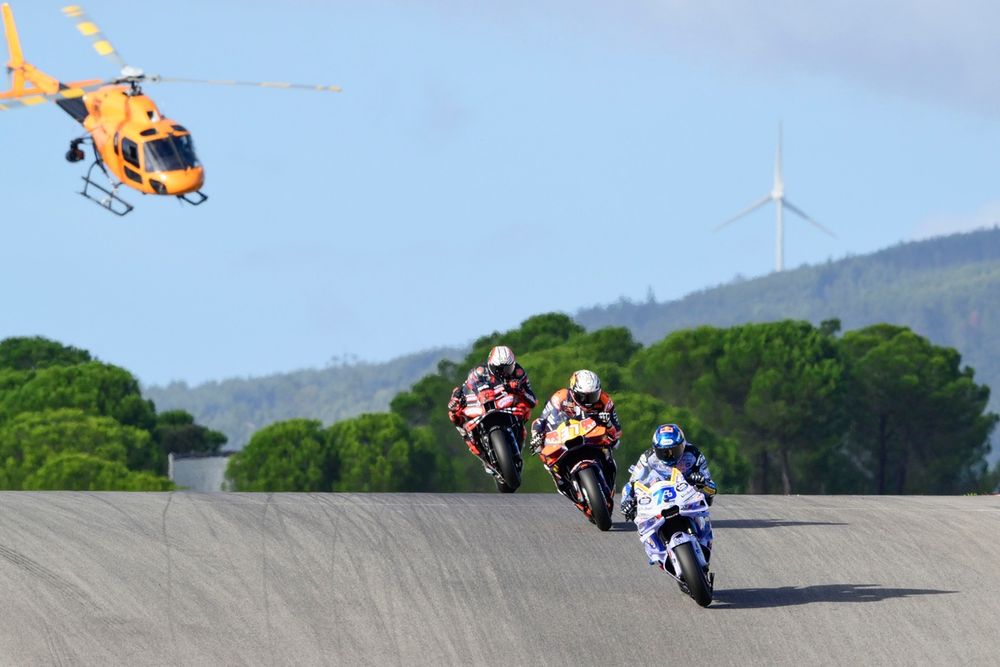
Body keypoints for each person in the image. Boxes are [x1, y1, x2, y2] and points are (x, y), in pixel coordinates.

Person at [620, 423, 716, 567]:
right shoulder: (647, 458)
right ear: (655, 449)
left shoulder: (694, 454)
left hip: (686, 498)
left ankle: (702, 537)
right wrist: (626, 500)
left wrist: (702, 483)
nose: (669, 455)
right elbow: (632, 483)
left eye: (674, 450)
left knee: (705, 506)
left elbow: (712, 489)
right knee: (637, 514)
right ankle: (656, 550)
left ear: (682, 446)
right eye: (663, 452)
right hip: (658, 500)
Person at [447, 345, 537, 456]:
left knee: (526, 408)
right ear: (491, 365)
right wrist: (456, 398)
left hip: (508, 405)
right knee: (453, 413)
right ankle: (467, 437)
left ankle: (518, 428)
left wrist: (520, 390)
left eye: (508, 368)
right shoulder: (481, 372)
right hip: (485, 404)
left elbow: (532, 400)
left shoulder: (518, 373)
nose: (504, 372)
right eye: (499, 369)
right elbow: (465, 386)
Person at [528, 369, 621, 454]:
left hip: (595, 439)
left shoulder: (605, 401)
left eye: (593, 396)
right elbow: (541, 420)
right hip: (566, 438)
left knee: (615, 444)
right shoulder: (560, 397)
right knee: (542, 450)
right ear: (573, 391)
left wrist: (608, 424)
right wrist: (536, 435)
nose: (588, 402)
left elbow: (617, 431)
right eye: (583, 397)